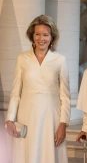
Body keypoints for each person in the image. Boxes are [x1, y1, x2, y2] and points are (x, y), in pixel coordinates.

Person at [5, 15, 70, 163]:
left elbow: (65, 96)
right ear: (32, 36)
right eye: (37, 34)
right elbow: (15, 93)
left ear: (52, 37)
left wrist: (63, 124)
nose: (41, 38)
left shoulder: (60, 60)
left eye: (46, 35)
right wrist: (9, 119)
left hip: (51, 117)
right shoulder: (22, 58)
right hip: (27, 116)